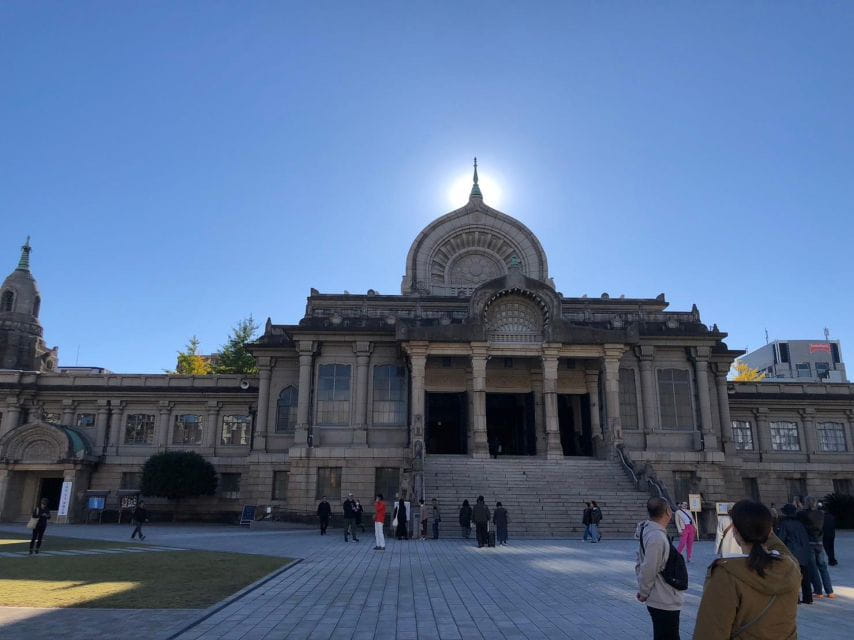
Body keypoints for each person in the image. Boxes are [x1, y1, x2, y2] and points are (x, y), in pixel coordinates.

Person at [693, 500, 800, 640]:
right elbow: (785, 553)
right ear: (770, 531)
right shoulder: (789, 568)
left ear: (736, 532)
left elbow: (710, 632)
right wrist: (765, 530)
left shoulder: (726, 574)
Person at [635, 497, 682, 640]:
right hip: (663, 597)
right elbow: (649, 567)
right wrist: (644, 592)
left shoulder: (649, 530)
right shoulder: (656, 537)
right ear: (668, 511)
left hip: (661, 596)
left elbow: (640, 560)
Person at [776, 503, 814, 604]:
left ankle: (795, 598)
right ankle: (808, 598)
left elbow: (781, 539)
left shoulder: (785, 524)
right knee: (805, 576)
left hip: (792, 553)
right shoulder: (800, 523)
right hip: (804, 553)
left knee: (793, 577)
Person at [798, 496, 834, 599]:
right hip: (819, 542)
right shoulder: (821, 514)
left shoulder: (802, 514)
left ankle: (818, 591)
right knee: (823, 567)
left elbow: (798, 516)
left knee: (813, 568)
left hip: (809, 543)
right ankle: (830, 591)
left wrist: (799, 507)